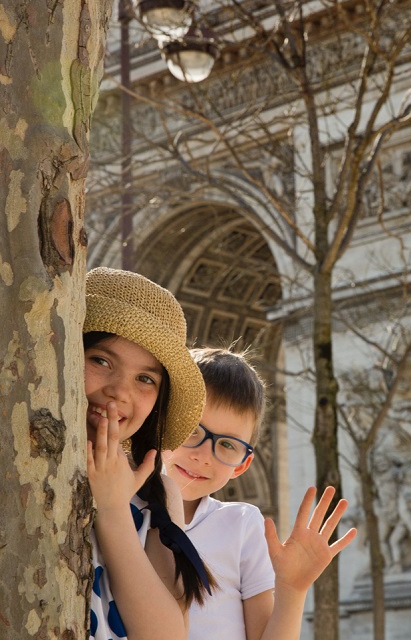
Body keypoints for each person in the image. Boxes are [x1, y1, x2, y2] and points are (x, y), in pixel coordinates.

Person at [162, 346, 357, 640]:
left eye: (227, 445)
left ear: (242, 465)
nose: (204, 456)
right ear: (161, 421)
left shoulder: (242, 525)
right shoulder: (112, 508)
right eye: (192, 430)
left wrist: (293, 589)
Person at [83, 267, 215, 640]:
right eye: (101, 361)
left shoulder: (156, 493)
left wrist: (112, 512)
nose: (119, 392)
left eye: (145, 379)